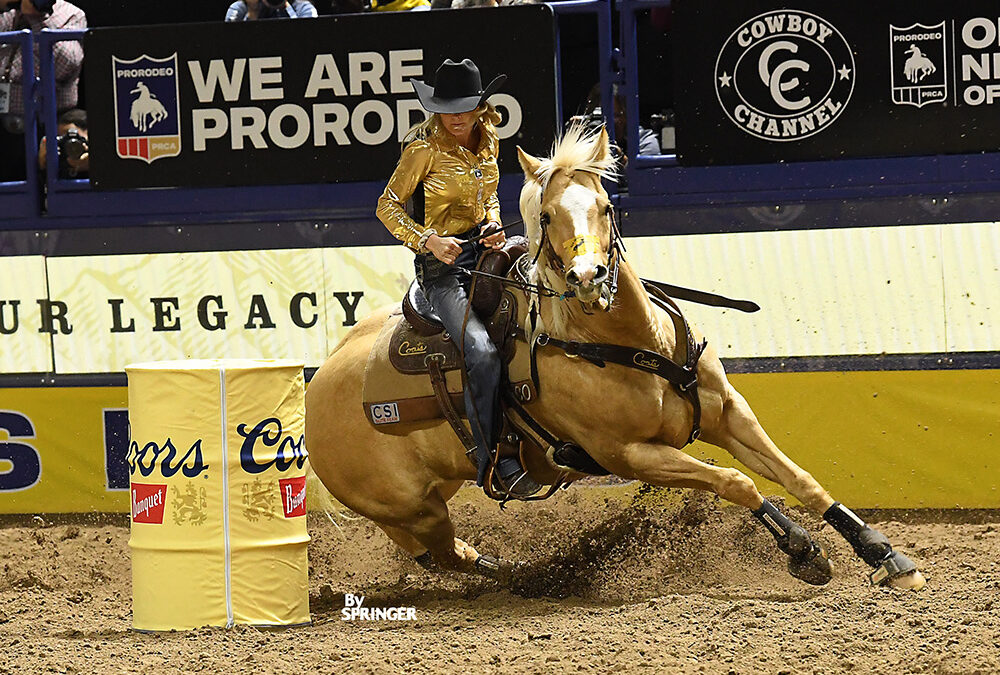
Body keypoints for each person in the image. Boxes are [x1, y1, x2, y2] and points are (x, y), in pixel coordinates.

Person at [375, 58, 540, 498]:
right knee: (482, 352)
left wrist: (493, 224)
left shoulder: (491, 141)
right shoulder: (422, 150)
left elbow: (489, 199)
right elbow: (386, 208)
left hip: (484, 252)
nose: (456, 115)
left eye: (464, 105)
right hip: (441, 269)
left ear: (479, 105)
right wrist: (428, 241)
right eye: (446, 106)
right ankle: (494, 462)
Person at [0, 0, 86, 182]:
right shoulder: (9, 15)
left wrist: (37, 19)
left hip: (46, 125)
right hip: (5, 127)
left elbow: (66, 64)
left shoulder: (70, 14)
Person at [37, 106, 87, 178]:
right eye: (63, 138)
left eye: (72, 136)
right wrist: (42, 165)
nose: (70, 144)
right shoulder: (58, 163)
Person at [224, 0, 318, 21]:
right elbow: (232, 42)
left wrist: (286, 7)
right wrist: (252, 12)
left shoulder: (303, 7)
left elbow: (307, 38)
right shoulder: (241, 8)